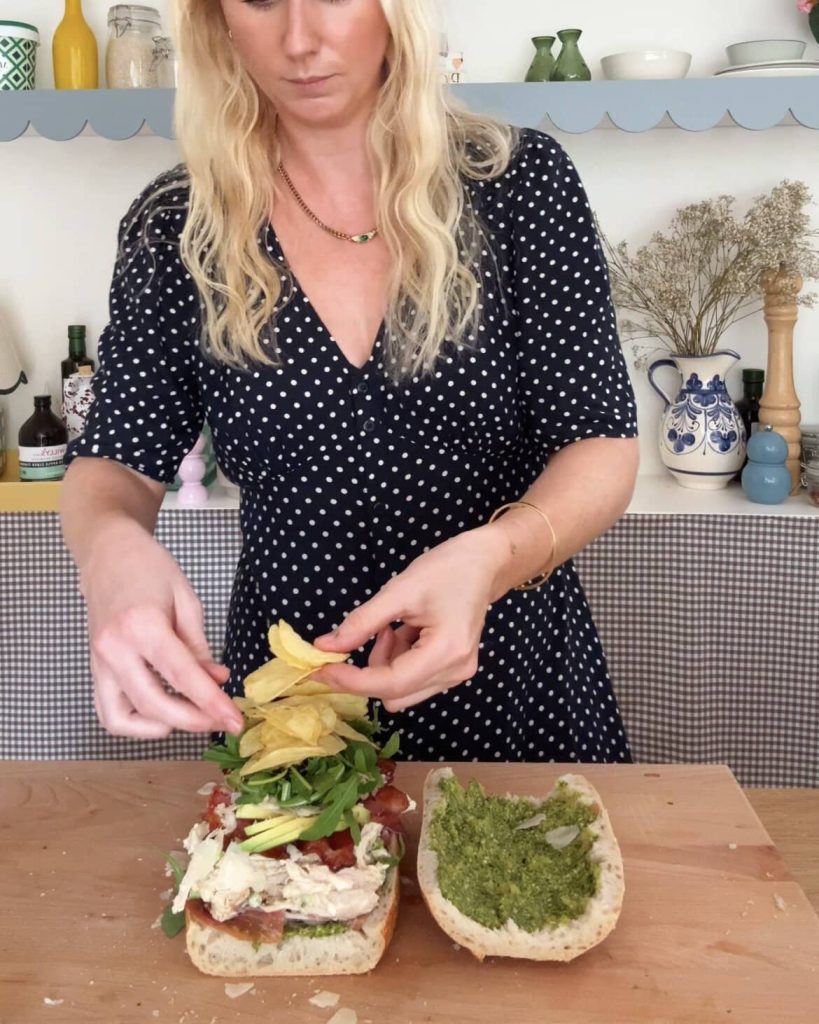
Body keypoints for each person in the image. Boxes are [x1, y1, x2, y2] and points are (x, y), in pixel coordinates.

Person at [61, 0, 640, 763]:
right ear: (217, 19)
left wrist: (493, 558)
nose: (300, 41)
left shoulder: (516, 183)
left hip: (514, 689)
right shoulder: (180, 224)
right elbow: (117, 459)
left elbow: (600, 445)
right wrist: (107, 549)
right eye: (262, 0)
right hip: (294, 714)